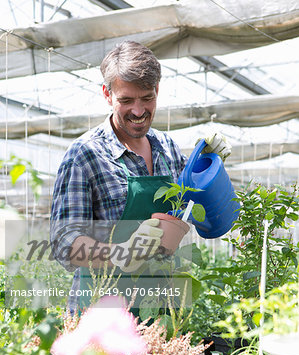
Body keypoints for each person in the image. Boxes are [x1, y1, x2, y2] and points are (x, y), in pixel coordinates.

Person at [50, 40, 231, 314]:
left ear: (157, 90)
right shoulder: (85, 154)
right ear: (107, 95)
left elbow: (197, 209)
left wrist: (210, 167)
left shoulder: (167, 148)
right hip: (101, 314)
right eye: (126, 100)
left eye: (147, 97)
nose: (138, 110)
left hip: (159, 310)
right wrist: (121, 253)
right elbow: (64, 242)